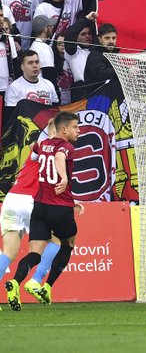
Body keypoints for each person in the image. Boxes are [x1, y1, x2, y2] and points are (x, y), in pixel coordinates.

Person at [6, 111, 80, 311]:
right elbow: (58, 157)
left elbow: (34, 147)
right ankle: (45, 286)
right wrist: (63, 178)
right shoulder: (66, 147)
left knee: (34, 253)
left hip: (39, 208)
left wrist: (39, 149)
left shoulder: (43, 144)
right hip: (60, 207)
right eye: (75, 127)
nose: (79, 131)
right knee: (68, 244)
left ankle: (15, 282)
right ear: (63, 129)